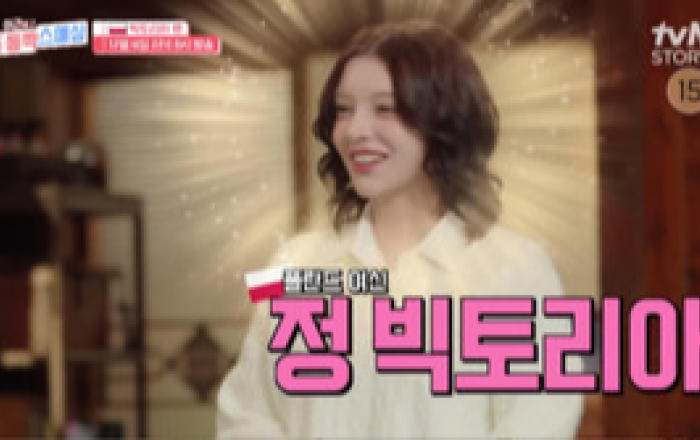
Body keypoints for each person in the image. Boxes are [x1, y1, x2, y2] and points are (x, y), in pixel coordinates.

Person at [217, 21, 583, 438]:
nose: (356, 130)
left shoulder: (517, 269)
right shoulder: (290, 265)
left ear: (442, 119)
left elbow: (538, 424)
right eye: (343, 109)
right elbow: (245, 413)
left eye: (385, 108)